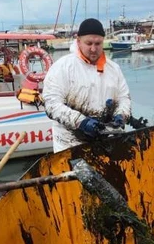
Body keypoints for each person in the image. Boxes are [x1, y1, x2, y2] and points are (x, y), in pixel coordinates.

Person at [42, 18, 132, 152]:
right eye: (89, 43)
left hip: (106, 144)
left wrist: (121, 115)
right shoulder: (63, 67)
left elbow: (124, 98)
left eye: (98, 43)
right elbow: (51, 103)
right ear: (78, 41)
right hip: (70, 145)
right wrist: (81, 121)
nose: (94, 49)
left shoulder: (114, 69)